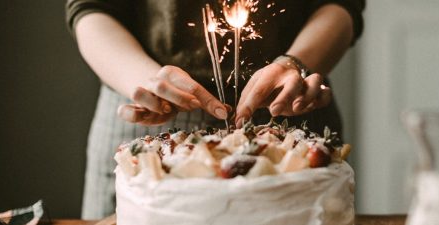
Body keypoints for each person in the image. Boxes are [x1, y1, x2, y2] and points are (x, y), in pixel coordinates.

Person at [66, 0, 364, 219]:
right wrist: (147, 82)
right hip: (145, 111)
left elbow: (341, 4)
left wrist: (296, 64)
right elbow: (91, 7)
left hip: (288, 113)